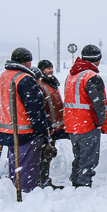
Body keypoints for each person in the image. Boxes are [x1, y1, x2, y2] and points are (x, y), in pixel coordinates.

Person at [0, 47, 53, 193]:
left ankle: (14, 190)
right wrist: (44, 133)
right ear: (26, 62)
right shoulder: (24, 79)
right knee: (26, 167)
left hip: (7, 129)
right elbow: (36, 110)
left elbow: (0, 104)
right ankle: (25, 194)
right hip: (25, 132)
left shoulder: (2, 77)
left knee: (15, 165)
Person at [63, 45, 107, 188]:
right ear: (97, 60)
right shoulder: (92, 77)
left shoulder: (71, 76)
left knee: (79, 155)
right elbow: (98, 104)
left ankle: (76, 179)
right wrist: (100, 123)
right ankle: (83, 184)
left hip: (72, 124)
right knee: (89, 157)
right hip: (87, 124)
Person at [37, 59, 68, 189]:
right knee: (46, 153)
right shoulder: (41, 85)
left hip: (58, 125)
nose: (50, 70)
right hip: (49, 126)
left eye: (51, 67)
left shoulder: (53, 83)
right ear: (41, 70)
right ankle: (42, 180)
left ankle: (44, 179)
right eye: (47, 68)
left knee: (49, 153)